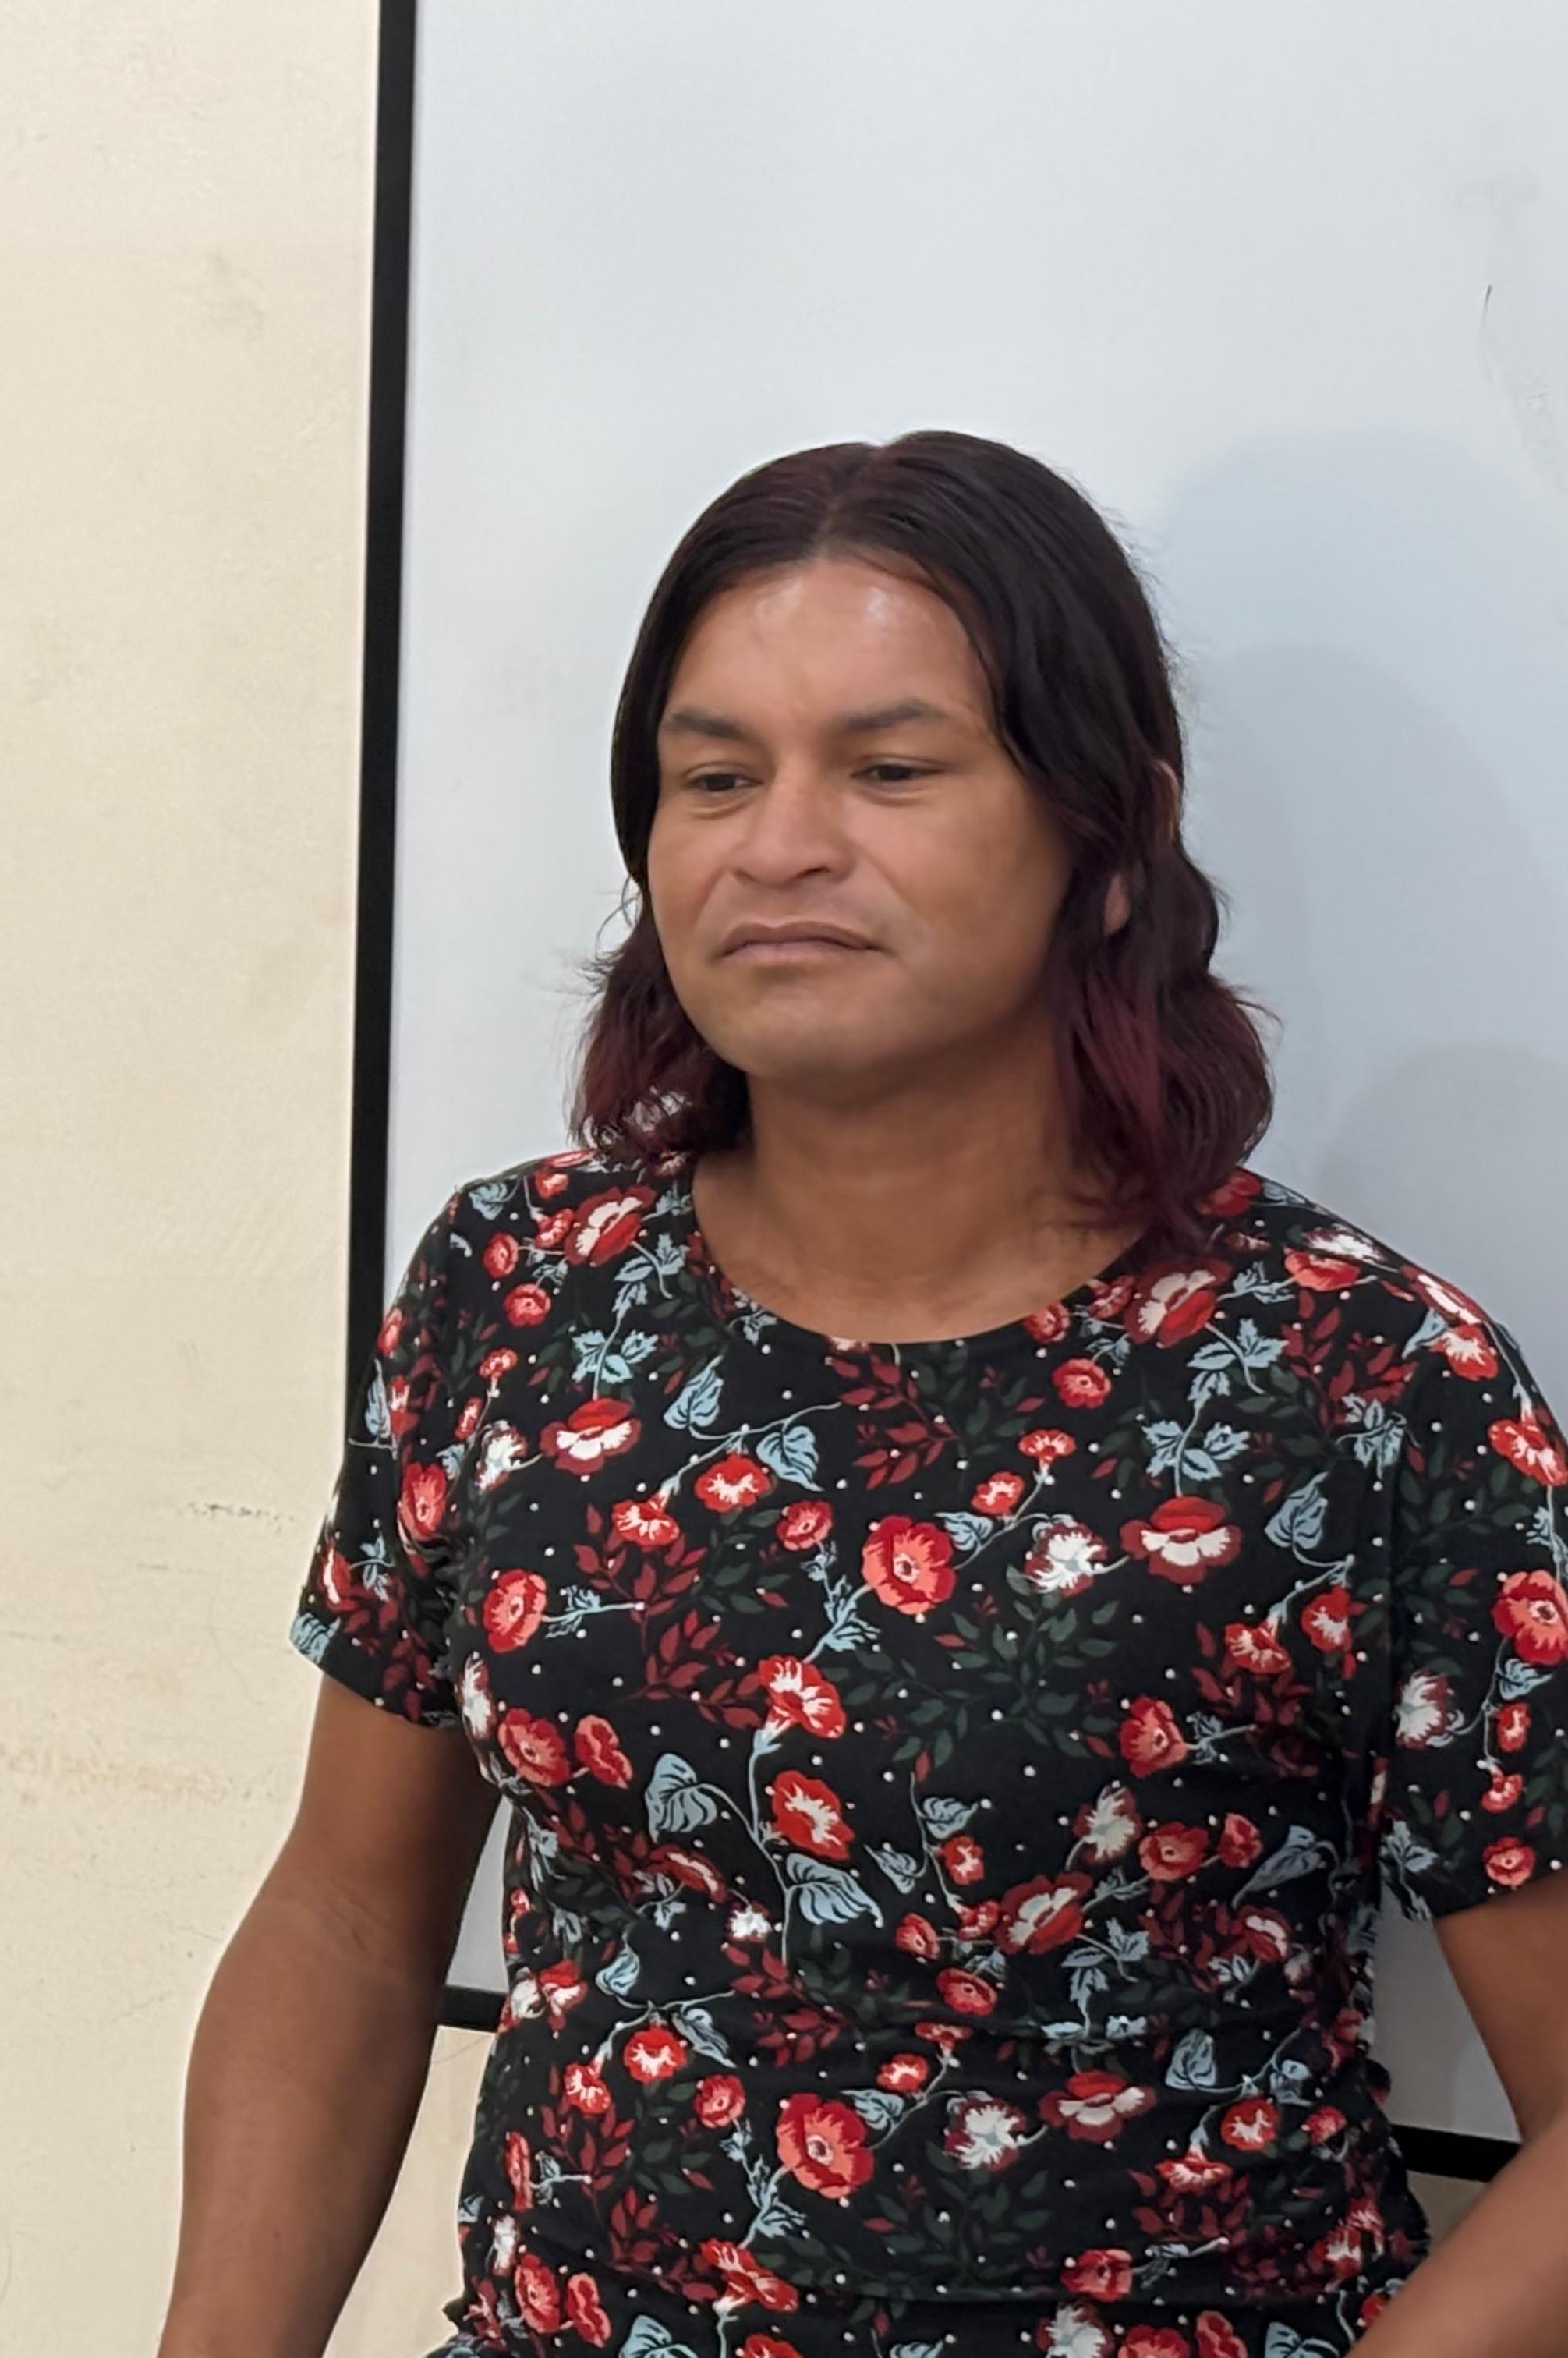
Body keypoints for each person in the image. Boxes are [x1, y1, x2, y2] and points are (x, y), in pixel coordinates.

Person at [156, 432, 1568, 2358]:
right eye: (713, 777)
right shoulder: (521, 1289)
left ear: (1112, 839)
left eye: (890, 771)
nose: (778, 846)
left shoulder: (1363, 1383)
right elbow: (345, 1919)